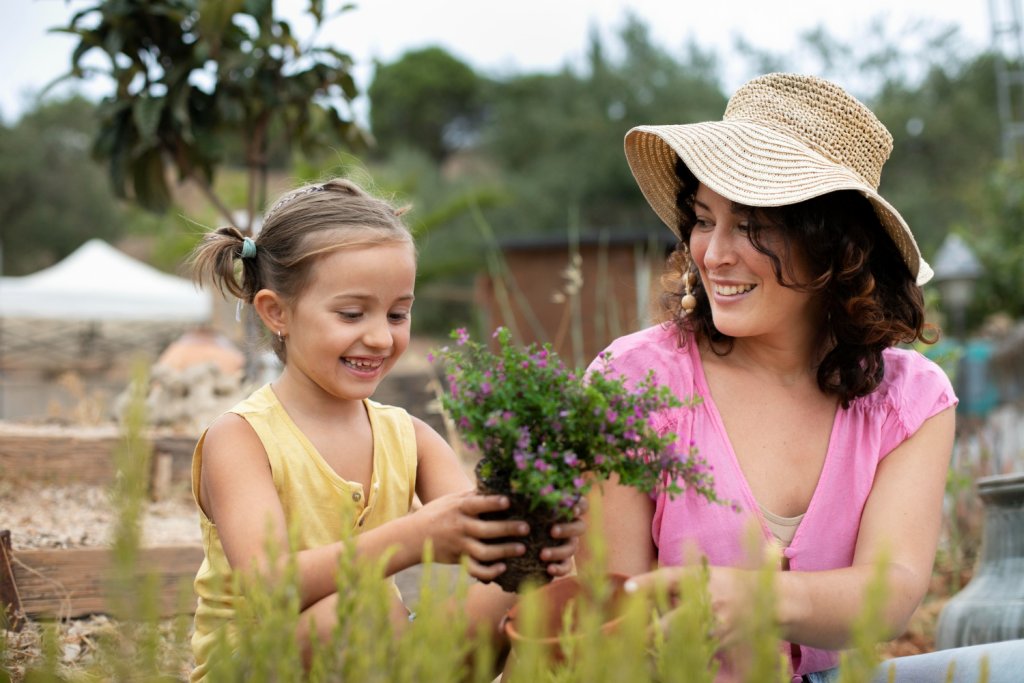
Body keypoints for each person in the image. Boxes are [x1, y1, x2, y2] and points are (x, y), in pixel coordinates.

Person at [581, 72, 971, 682]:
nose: (713, 254)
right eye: (705, 219)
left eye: (753, 225)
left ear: (835, 248)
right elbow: (609, 614)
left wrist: (757, 602)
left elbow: (890, 591)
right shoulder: (633, 382)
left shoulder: (911, 400)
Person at [185, 178, 582, 680]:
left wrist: (532, 543)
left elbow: (481, 534)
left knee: (520, 591)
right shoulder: (241, 438)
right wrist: (416, 535)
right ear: (277, 312)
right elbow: (270, 589)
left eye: (398, 313)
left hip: (383, 656)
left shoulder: (409, 436)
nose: (379, 337)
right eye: (352, 314)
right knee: (354, 610)